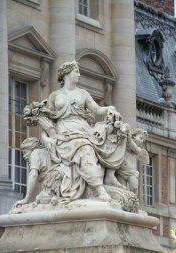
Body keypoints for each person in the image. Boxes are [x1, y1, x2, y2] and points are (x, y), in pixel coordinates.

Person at [42, 60, 128, 201]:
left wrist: (110, 108)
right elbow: (46, 120)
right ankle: (99, 190)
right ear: (66, 74)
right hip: (64, 134)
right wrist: (44, 138)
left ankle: (107, 179)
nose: (79, 74)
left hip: (83, 130)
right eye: (76, 71)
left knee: (100, 142)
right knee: (85, 150)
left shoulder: (83, 93)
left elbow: (97, 110)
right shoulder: (55, 96)